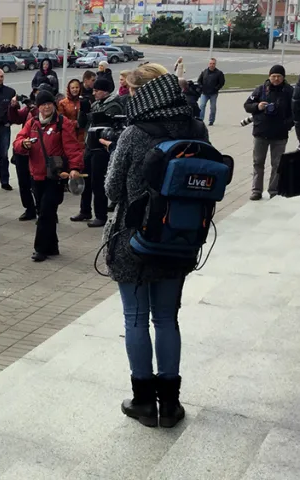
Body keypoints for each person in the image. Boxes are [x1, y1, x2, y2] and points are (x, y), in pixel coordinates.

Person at [103, 63, 204, 429]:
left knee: (135, 318)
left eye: (130, 89)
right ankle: (171, 405)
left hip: (133, 239)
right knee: (166, 318)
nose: (126, 96)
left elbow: (112, 189)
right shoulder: (197, 126)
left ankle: (144, 401)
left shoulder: (132, 133)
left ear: (144, 92)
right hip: (180, 236)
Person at [13, 89, 84, 262]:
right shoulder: (33, 123)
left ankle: (40, 249)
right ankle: (52, 246)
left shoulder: (62, 123)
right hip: (36, 175)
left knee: (45, 212)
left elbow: (73, 148)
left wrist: (75, 168)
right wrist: (24, 144)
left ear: (53, 105)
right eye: (42, 104)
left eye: (49, 104)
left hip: (55, 176)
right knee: (45, 211)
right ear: (38, 107)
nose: (46, 107)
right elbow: (17, 143)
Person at [74, 76, 124, 227]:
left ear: (105, 91)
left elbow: (101, 120)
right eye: (94, 90)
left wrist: (89, 112)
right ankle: (85, 210)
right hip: (90, 146)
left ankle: (100, 215)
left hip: (102, 148)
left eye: (97, 90)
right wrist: (82, 111)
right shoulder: (96, 104)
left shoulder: (114, 105)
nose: (94, 93)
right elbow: (83, 124)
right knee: (86, 179)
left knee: (98, 182)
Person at [244, 65, 294, 201]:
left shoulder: (289, 91)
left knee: (277, 164)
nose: (276, 79)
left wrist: (287, 125)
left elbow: (295, 111)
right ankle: (256, 190)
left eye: (279, 76)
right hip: (261, 133)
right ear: (269, 76)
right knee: (258, 162)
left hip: (280, 135)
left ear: (283, 77)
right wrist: (258, 106)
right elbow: (247, 105)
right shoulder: (260, 90)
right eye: (273, 76)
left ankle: (273, 190)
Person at [197, 58, 225, 126]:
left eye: (213, 64)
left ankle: (211, 120)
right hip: (204, 93)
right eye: (210, 63)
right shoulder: (204, 72)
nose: (212, 65)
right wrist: (201, 87)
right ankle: (200, 119)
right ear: (208, 64)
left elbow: (222, 82)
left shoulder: (219, 73)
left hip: (213, 93)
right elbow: (199, 81)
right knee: (202, 106)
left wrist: (216, 88)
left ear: (215, 64)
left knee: (213, 107)